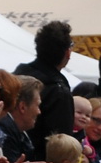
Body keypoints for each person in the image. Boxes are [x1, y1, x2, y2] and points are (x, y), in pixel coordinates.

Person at [15, 19, 76, 148]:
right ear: (68, 52)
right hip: (41, 158)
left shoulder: (16, 76)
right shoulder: (58, 90)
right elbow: (62, 143)